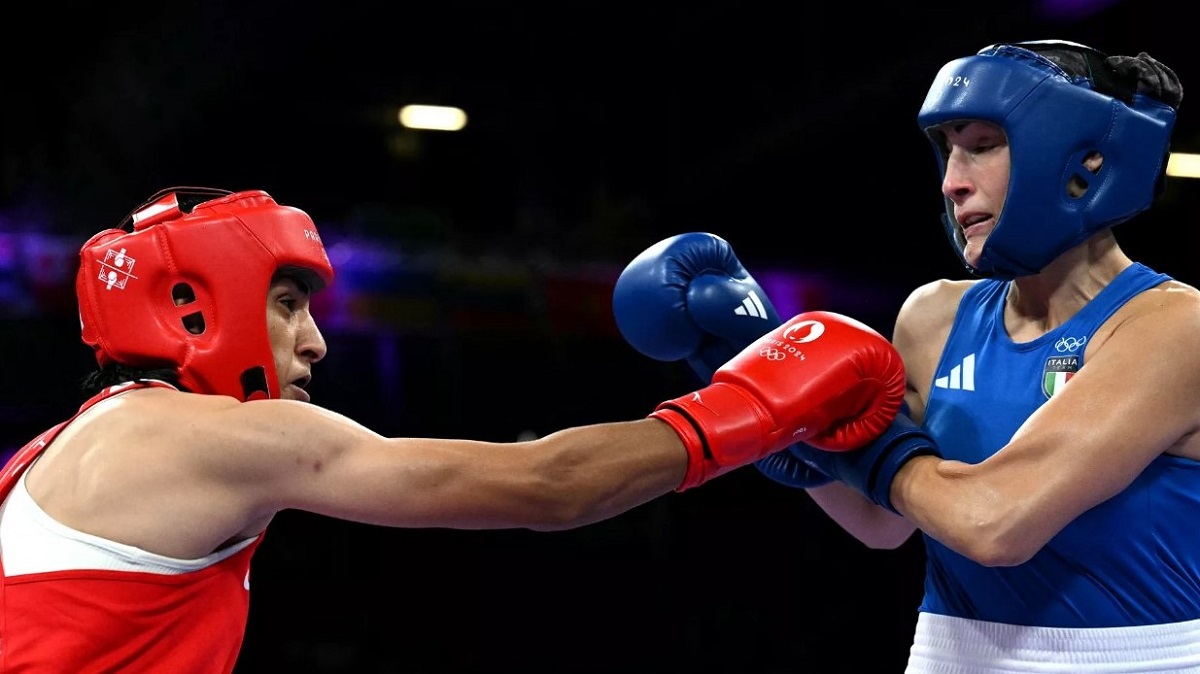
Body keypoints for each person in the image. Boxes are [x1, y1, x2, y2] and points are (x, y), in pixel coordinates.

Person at [0, 186, 907, 672]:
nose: (314, 340)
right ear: (192, 310)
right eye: (286, 304)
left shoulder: (46, 454)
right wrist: (754, 403)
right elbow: (544, 487)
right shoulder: (214, 438)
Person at [613, 40, 1200, 672]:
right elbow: (881, 520)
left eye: (982, 144)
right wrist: (775, 403)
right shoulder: (935, 315)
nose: (952, 180)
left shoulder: (1173, 327)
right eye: (948, 149)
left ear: (1082, 157)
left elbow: (994, 522)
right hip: (948, 651)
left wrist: (853, 434)